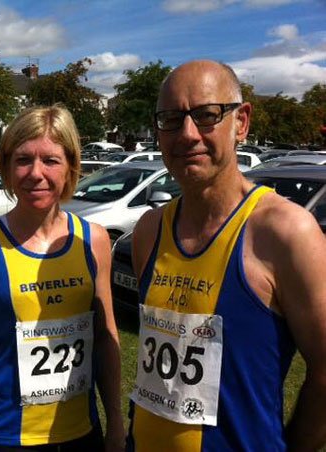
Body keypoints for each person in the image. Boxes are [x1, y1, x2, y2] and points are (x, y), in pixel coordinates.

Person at [126, 60, 326, 451]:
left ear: (241, 122)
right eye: (170, 119)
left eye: (206, 115)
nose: (187, 134)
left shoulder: (285, 232)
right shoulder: (149, 231)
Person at [0, 105, 125, 452]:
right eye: (23, 159)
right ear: (7, 167)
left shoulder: (95, 241)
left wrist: (115, 421)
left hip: (80, 433)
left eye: (51, 160)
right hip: (5, 435)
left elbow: (106, 340)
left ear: (71, 167)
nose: (35, 173)